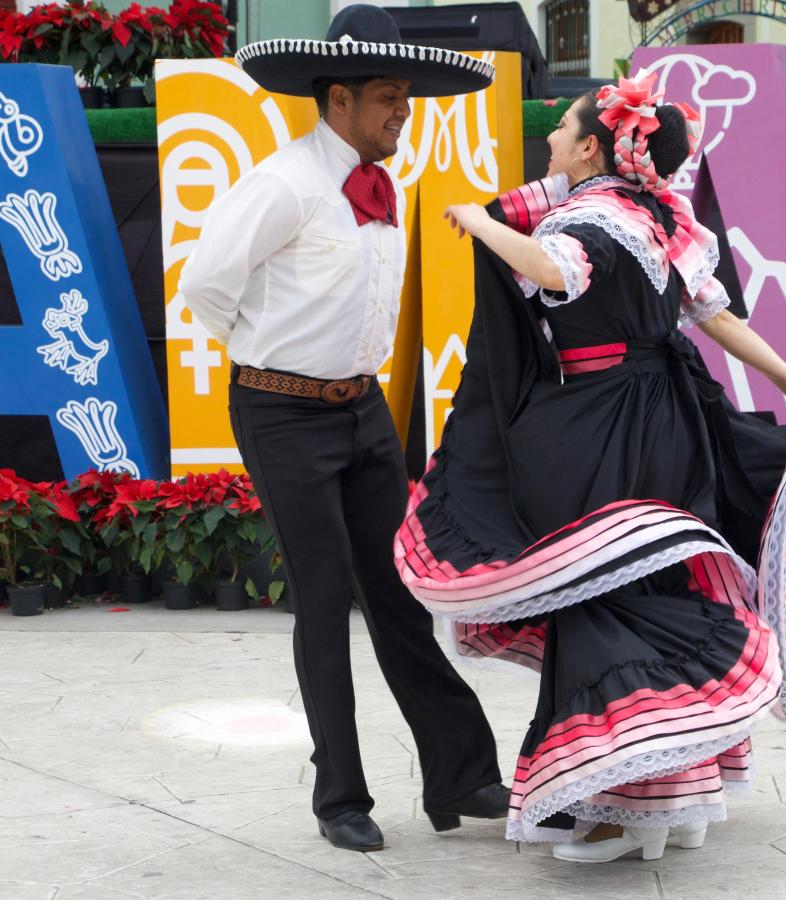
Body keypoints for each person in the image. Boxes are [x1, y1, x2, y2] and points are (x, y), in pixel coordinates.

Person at [394, 71, 786, 862]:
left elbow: (554, 270)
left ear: (593, 148)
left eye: (562, 129)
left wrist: (480, 222)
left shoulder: (593, 220)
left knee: (602, 600)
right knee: (659, 588)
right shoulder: (657, 215)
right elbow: (715, 315)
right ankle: (685, 797)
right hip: (669, 420)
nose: (549, 139)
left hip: (604, 428)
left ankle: (623, 809)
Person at [178, 5, 509, 853]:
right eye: (388, 96)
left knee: (399, 593)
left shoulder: (379, 184)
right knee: (323, 600)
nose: (403, 111)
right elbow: (206, 284)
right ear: (339, 99)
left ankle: (463, 775)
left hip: (363, 409)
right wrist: (268, 354)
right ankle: (340, 798)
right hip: (281, 411)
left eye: (405, 96)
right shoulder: (283, 184)